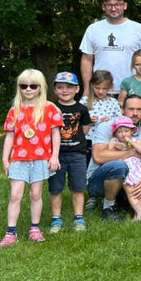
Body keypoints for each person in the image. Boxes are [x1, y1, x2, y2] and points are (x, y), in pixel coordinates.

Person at [0, 70, 62, 247]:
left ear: (41, 88)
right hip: (18, 159)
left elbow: (55, 134)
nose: (28, 89)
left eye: (33, 86)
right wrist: (5, 159)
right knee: (15, 194)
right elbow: (10, 136)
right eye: (23, 86)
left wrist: (54, 156)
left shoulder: (49, 109)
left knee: (36, 194)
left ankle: (34, 228)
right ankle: (10, 232)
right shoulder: (15, 110)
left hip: (41, 159)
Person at [87, 94, 141, 219]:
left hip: (131, 177)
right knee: (119, 165)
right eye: (131, 109)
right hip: (99, 180)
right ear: (122, 110)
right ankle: (108, 208)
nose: (135, 113)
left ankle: (124, 200)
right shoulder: (107, 127)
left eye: (139, 109)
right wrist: (129, 153)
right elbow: (98, 157)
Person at [79, 0, 141, 101]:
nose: (113, 9)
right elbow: (87, 60)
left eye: (117, 4)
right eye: (109, 5)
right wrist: (87, 89)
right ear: (103, 7)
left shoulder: (138, 29)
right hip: (101, 89)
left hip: (133, 90)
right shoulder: (93, 29)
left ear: (125, 6)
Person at [47, 71, 91, 233]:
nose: (65, 90)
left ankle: (78, 217)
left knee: (78, 187)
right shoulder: (51, 108)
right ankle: (56, 218)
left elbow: (85, 129)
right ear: (54, 90)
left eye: (69, 87)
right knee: (55, 187)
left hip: (78, 153)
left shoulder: (82, 109)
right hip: (56, 155)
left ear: (77, 89)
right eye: (60, 87)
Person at [108, 116, 141, 221]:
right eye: (120, 131)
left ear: (132, 131)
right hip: (126, 169)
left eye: (126, 131)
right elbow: (108, 155)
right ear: (115, 133)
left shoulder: (136, 141)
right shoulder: (114, 141)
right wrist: (115, 148)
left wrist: (132, 144)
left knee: (138, 192)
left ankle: (138, 214)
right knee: (130, 191)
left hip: (137, 169)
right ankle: (140, 212)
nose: (123, 134)